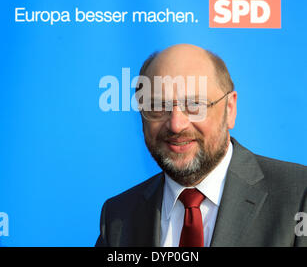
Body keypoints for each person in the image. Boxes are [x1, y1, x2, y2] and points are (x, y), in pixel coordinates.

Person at [95, 44, 307, 247]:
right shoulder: (118, 217)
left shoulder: (299, 195)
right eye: (158, 106)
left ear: (230, 109)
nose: (177, 125)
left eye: (195, 104)